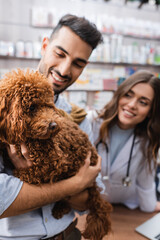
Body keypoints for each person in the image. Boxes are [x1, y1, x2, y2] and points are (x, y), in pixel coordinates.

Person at [0, 14, 103, 239]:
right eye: (60, 54)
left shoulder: (78, 118)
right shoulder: (5, 110)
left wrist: (35, 177)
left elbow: (89, 197)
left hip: (68, 234)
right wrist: (74, 183)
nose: (65, 70)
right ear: (45, 45)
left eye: (78, 63)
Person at [87, 70, 160, 213]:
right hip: (88, 206)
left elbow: (145, 183)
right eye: (128, 95)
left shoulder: (148, 140)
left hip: (124, 206)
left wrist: (150, 207)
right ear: (119, 94)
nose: (132, 105)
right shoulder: (91, 122)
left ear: (151, 111)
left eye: (143, 102)